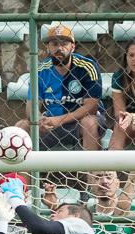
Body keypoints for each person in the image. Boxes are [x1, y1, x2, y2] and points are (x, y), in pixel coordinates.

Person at [15, 23, 104, 151]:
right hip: (51, 123)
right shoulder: (40, 70)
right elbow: (31, 107)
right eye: (54, 44)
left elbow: (91, 107)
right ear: (47, 47)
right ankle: (22, 171)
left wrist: (59, 120)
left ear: (72, 47)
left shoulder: (87, 67)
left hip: (79, 122)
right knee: (21, 126)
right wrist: (39, 121)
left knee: (89, 122)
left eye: (64, 44)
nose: (59, 48)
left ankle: (91, 170)